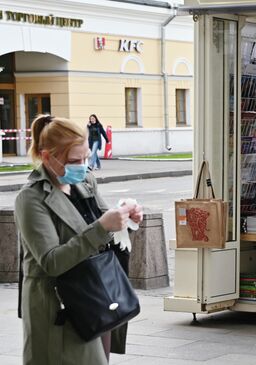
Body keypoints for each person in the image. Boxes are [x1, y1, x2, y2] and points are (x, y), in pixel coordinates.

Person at [14, 114, 143, 364]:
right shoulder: (30, 199)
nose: (83, 166)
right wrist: (102, 227)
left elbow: (106, 232)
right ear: (47, 157)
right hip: (57, 306)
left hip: (97, 297)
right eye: (74, 160)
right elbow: (51, 261)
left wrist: (127, 220)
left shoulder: (84, 182)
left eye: (85, 158)